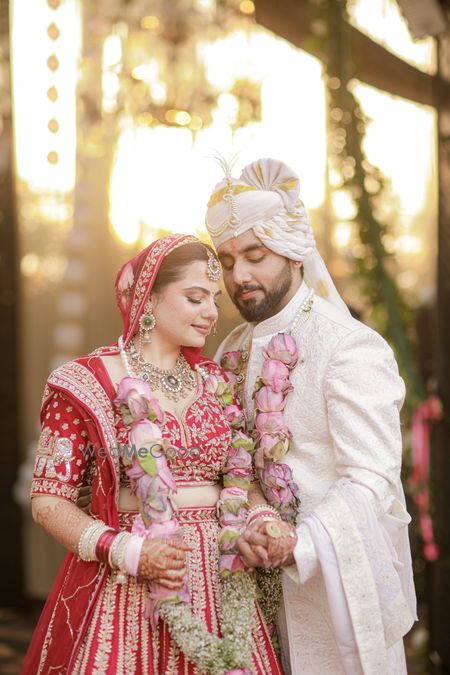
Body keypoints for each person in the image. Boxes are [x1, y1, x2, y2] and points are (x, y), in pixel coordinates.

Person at [22, 234, 282, 674]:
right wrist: (131, 553)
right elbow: (48, 503)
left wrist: (261, 520)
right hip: (129, 579)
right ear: (149, 296)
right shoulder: (85, 383)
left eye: (214, 300)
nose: (211, 312)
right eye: (195, 298)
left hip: (221, 583)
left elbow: (240, 481)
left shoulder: (215, 381)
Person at [206, 158, 417, 675]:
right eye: (227, 262)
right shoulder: (229, 349)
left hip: (329, 594)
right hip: (245, 595)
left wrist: (300, 543)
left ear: (294, 251)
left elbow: (370, 478)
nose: (239, 275)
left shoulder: (349, 346)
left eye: (255, 255)